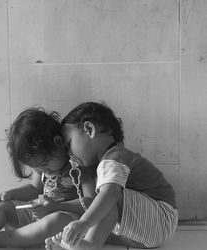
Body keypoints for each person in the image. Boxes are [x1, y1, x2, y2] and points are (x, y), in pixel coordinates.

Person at [45, 101, 178, 250]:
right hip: (146, 234)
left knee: (107, 196)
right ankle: (81, 241)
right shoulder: (107, 162)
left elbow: (110, 194)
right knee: (103, 206)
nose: (69, 154)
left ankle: (90, 244)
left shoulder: (114, 157)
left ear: (89, 129)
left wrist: (83, 223)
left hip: (161, 217)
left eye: (69, 144)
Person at [0, 107, 95, 249]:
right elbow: (34, 188)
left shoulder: (79, 164)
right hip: (38, 212)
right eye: (36, 167)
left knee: (56, 221)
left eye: (44, 164)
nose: (43, 171)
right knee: (5, 207)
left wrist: (57, 207)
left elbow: (90, 203)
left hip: (66, 217)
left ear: (58, 142)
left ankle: (2, 239)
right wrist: (10, 194)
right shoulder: (41, 166)